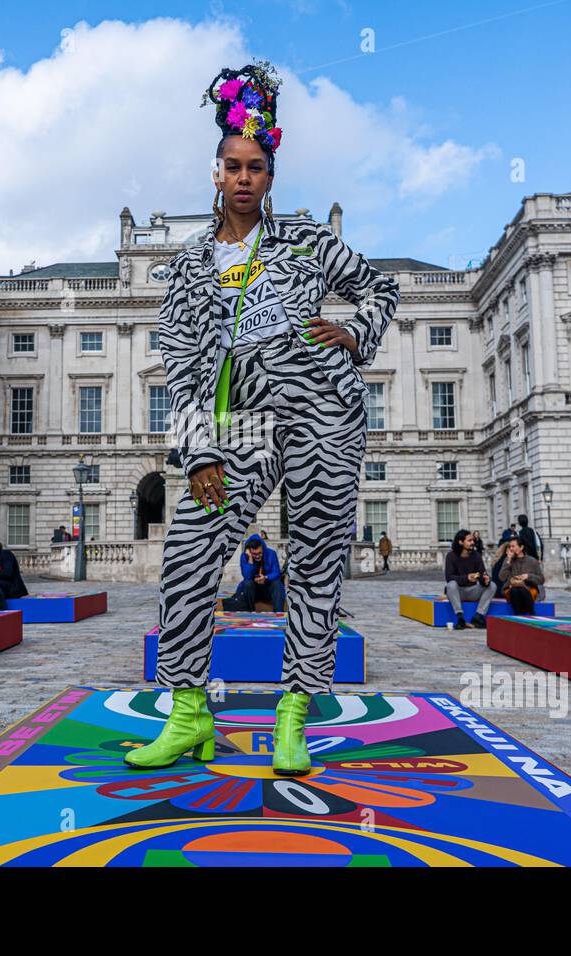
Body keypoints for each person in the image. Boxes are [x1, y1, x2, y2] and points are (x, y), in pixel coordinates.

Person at [132, 62, 399, 777]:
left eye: (257, 167)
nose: (245, 177)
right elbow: (180, 363)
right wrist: (197, 451)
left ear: (271, 178)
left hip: (324, 412)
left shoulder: (308, 242)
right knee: (189, 553)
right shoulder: (187, 267)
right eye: (233, 166)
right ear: (215, 173)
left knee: (315, 565)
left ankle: (292, 719)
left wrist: (356, 334)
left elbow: (380, 288)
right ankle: (188, 712)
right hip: (240, 420)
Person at [443, 529, 496, 629]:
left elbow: (482, 574)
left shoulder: (476, 556)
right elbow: (449, 577)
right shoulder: (451, 556)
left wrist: (485, 580)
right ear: (461, 542)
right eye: (469, 540)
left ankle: (478, 616)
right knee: (451, 585)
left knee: (492, 585)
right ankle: (460, 617)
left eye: (473, 540)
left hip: (473, 591)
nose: (473, 542)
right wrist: (467, 577)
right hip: (457, 592)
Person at [234, 534, 286, 612]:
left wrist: (265, 578)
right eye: (254, 554)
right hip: (252, 592)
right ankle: (250, 612)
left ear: (263, 549)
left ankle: (278, 613)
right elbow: (247, 577)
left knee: (277, 584)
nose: (258, 556)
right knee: (247, 583)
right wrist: (250, 560)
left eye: (260, 553)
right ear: (249, 551)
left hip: (268, 590)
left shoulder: (271, 553)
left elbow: (277, 572)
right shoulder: (244, 556)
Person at [498, 535, 546, 615]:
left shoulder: (532, 561)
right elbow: (501, 578)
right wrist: (509, 561)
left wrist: (528, 576)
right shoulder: (508, 560)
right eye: (510, 546)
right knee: (515, 590)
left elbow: (541, 579)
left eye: (513, 546)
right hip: (511, 591)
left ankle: (521, 614)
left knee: (522, 589)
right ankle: (529, 613)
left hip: (529, 590)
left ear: (521, 547)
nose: (511, 549)